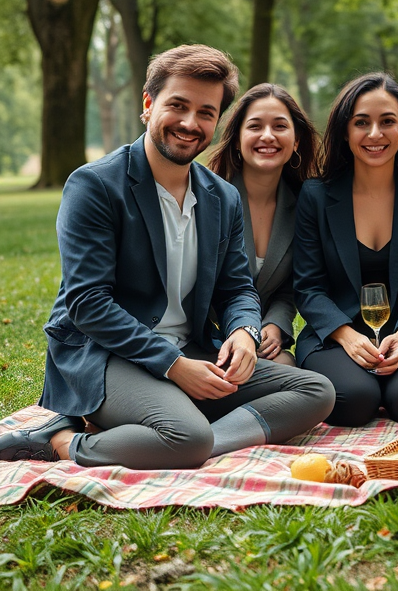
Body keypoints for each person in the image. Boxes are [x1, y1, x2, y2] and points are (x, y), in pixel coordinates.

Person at [0, 45, 335, 468]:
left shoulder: (222, 197)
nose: (190, 123)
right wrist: (174, 366)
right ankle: (65, 440)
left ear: (216, 121)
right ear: (148, 104)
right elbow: (87, 304)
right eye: (178, 105)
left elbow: (238, 289)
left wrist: (245, 332)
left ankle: (181, 439)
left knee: (316, 391)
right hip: (106, 355)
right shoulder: (95, 186)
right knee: (185, 437)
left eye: (206, 112)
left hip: (190, 351)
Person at [293, 73, 398, 426]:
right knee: (353, 401)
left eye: (387, 121)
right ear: (345, 132)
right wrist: (346, 336)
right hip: (334, 336)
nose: (375, 134)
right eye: (361, 122)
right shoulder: (315, 196)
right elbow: (307, 286)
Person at [207, 84, 320, 365]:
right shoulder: (208, 199)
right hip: (206, 339)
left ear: (296, 141)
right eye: (255, 126)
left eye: (280, 126)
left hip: (264, 347)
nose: (267, 136)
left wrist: (276, 326)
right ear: (236, 139)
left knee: (294, 373)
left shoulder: (306, 206)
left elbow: (291, 286)